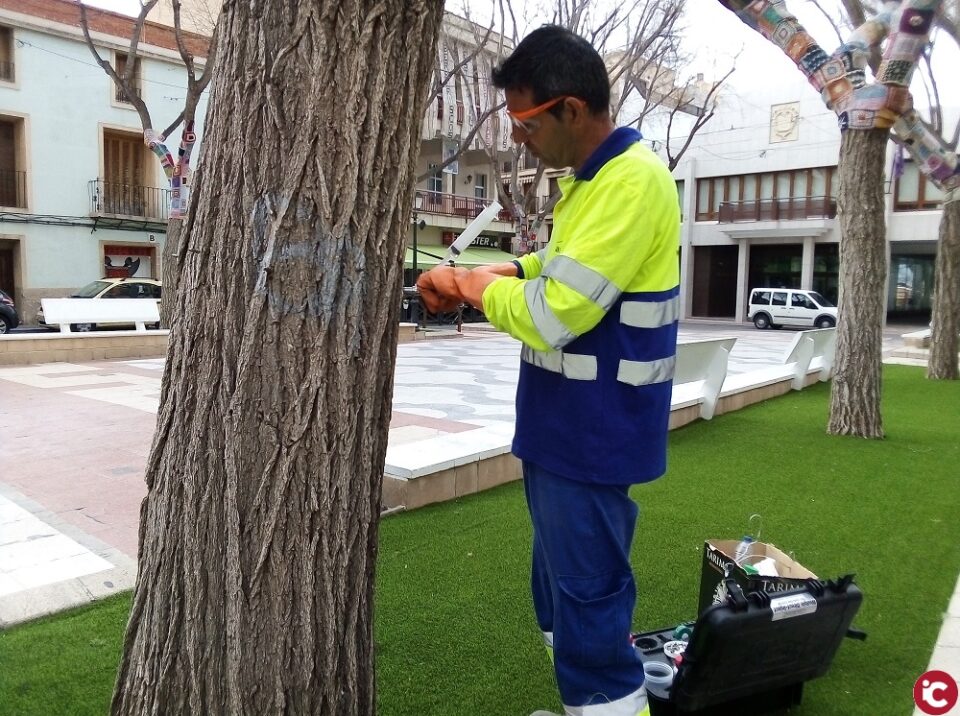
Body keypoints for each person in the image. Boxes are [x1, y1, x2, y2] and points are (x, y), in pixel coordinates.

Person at [416, 25, 680, 716]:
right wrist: (501, 268)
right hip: (564, 423)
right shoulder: (593, 182)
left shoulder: (632, 181)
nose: (517, 139)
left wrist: (472, 286)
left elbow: (558, 311)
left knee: (589, 594)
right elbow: (562, 268)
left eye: (524, 122)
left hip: (594, 431)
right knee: (562, 586)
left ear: (569, 109)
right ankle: (585, 704)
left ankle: (602, 703)